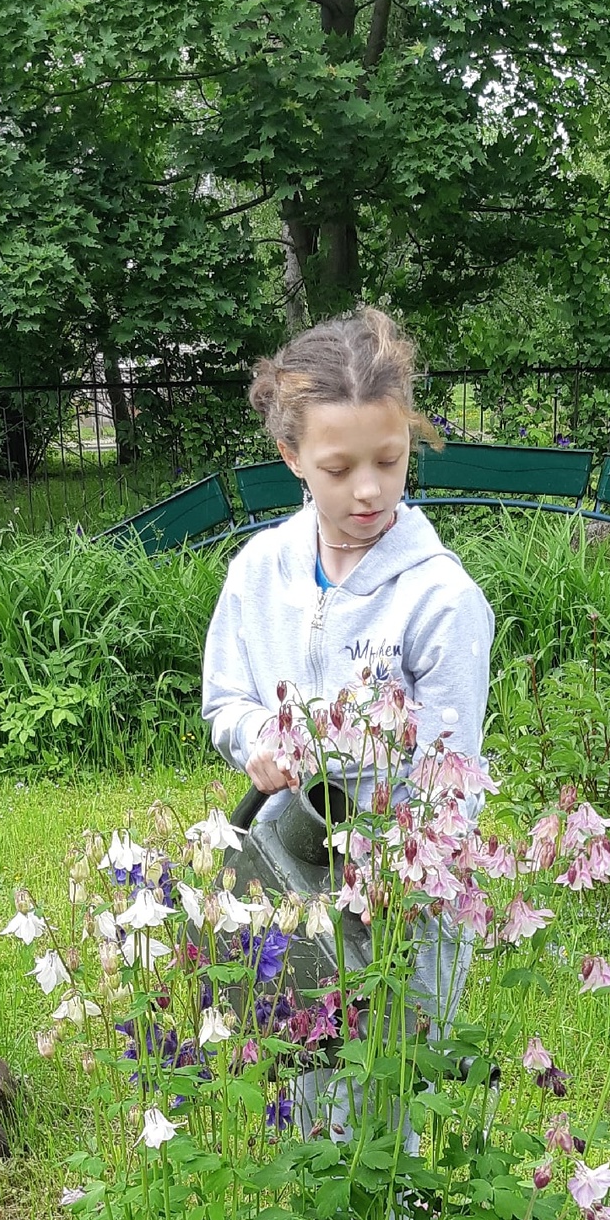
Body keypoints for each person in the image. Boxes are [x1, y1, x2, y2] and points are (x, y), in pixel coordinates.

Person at [201, 305, 494, 1140]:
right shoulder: (259, 572)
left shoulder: (440, 599)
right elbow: (227, 696)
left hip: (408, 897)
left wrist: (381, 843)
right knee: (298, 1077)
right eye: (338, 468)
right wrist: (259, 739)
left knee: (383, 1098)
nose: (368, 489)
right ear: (292, 456)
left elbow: (448, 781)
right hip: (288, 868)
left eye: (389, 461)